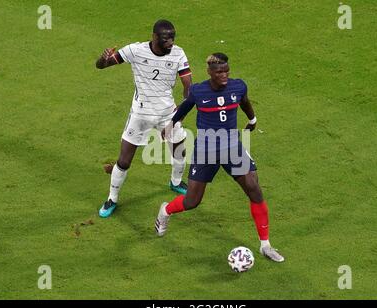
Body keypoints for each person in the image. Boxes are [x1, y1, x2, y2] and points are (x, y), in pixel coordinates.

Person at [155, 53, 284, 262]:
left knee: (254, 188)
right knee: (192, 201)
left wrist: (252, 119)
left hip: (232, 147)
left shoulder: (238, 86)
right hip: (206, 150)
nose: (224, 75)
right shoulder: (198, 91)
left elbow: (245, 102)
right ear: (210, 72)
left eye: (226, 71)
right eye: (219, 72)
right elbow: (183, 110)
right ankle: (166, 210)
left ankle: (266, 245)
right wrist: (169, 126)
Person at [95, 20, 192, 218]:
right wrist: (103, 59)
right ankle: (112, 198)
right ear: (154, 37)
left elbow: (187, 83)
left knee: (179, 150)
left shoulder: (178, 53)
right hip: (140, 115)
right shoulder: (135, 50)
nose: (170, 43)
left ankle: (175, 182)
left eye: (172, 38)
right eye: (166, 39)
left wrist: (184, 106)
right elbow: (101, 66)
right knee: (124, 160)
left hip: (168, 114)